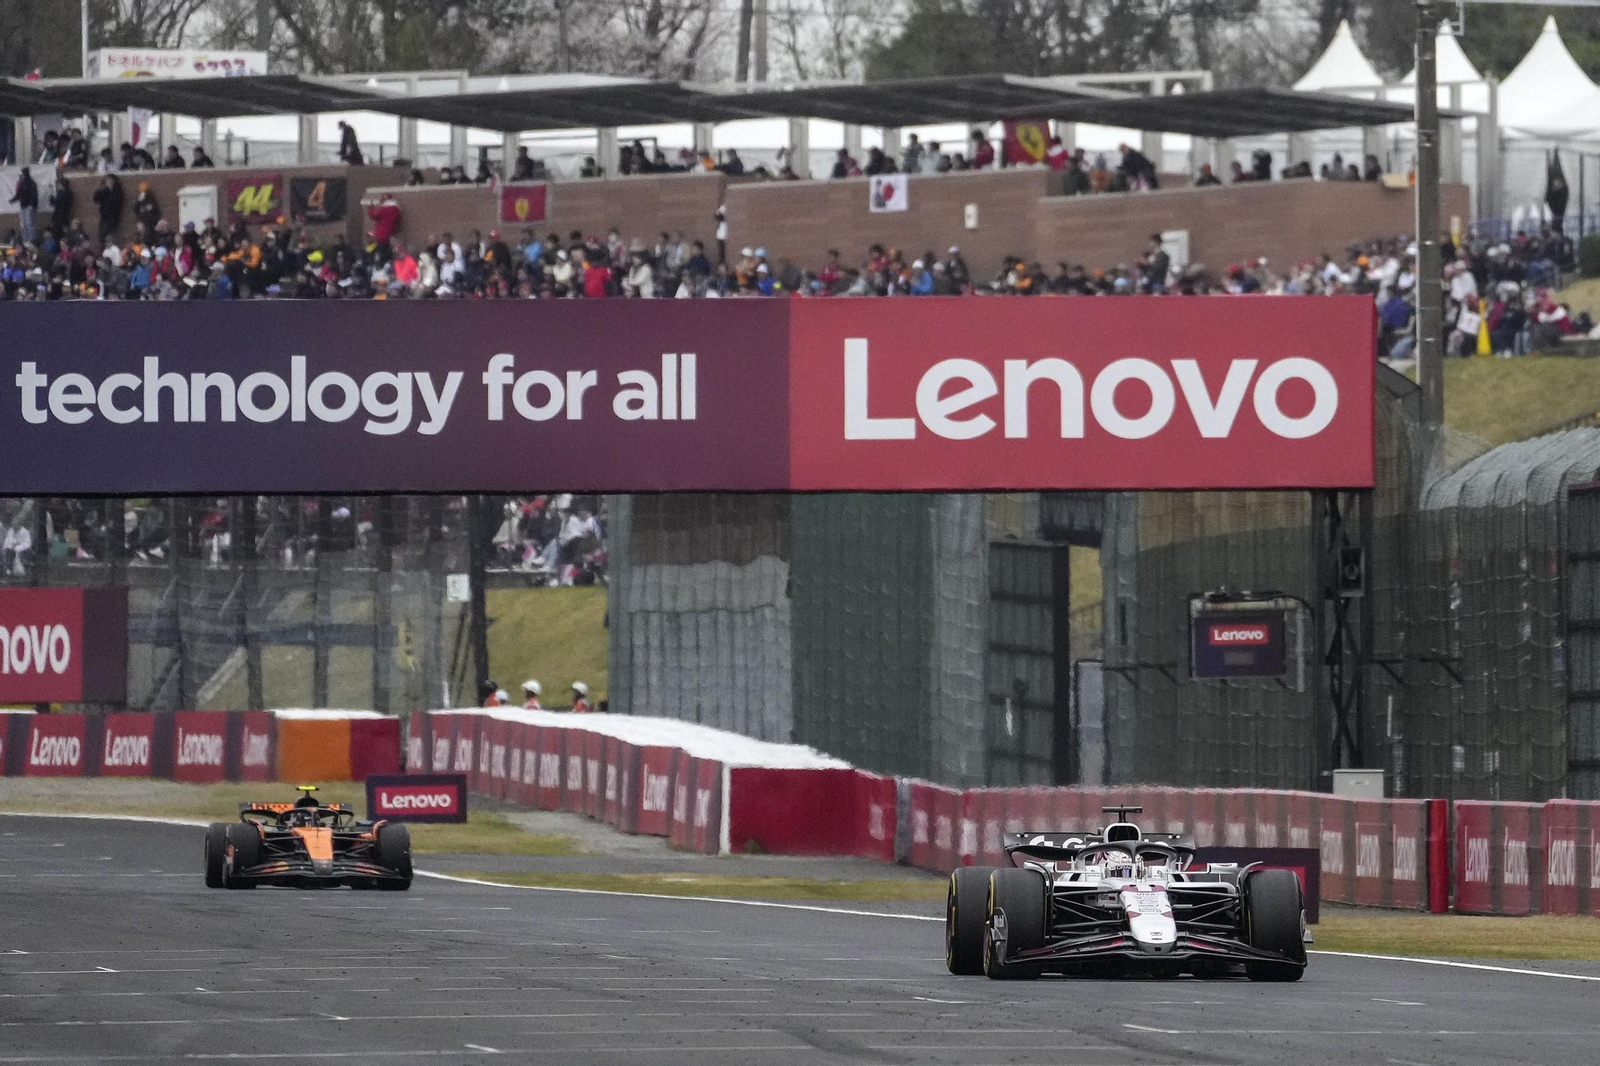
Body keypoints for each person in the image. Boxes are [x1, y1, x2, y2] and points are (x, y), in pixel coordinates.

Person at [8, 167, 38, 243]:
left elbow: (34, 195)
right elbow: (19, 194)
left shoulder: (31, 183)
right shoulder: (23, 183)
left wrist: (32, 205)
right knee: (23, 224)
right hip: (23, 206)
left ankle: (32, 239)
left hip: (28, 206)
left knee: (29, 223)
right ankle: (26, 239)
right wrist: (13, 200)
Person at [93, 174, 124, 243]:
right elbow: (96, 199)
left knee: (110, 234)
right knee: (102, 234)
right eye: (107, 181)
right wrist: (100, 189)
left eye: (110, 181)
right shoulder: (104, 191)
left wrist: (110, 190)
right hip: (104, 215)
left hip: (113, 216)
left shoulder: (118, 191)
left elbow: (116, 201)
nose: (109, 182)